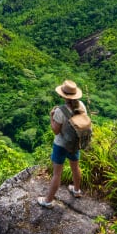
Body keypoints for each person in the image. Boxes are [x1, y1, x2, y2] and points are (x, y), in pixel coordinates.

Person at [37, 79, 87, 208]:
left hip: (61, 145)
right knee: (75, 167)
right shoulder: (81, 105)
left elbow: (55, 130)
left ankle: (47, 201)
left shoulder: (60, 111)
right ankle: (76, 190)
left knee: (57, 173)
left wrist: (51, 117)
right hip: (75, 142)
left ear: (63, 95)